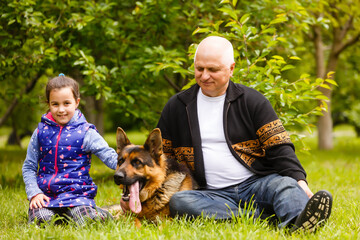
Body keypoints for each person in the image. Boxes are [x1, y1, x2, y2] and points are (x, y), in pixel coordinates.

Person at [156, 36, 333, 232]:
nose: (204, 76)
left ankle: (297, 222)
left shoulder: (253, 101)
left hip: (257, 184)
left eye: (213, 70)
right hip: (209, 193)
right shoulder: (177, 107)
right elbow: (161, 158)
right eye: (199, 69)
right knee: (181, 202)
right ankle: (263, 216)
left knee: (286, 185)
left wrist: (300, 182)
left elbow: (280, 147)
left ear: (231, 69)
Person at [22, 74, 118, 226]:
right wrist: (35, 193)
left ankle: (94, 214)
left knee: (88, 221)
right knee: (41, 221)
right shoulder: (40, 132)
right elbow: (29, 167)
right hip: (47, 198)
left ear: (76, 102)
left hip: (77, 196)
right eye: (55, 104)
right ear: (48, 103)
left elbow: (109, 156)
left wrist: (129, 163)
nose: (61, 110)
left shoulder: (87, 132)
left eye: (67, 103)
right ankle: (60, 216)